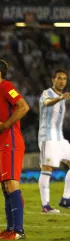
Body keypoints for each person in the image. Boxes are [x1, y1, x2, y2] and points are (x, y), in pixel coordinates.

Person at [0, 58, 29, 240]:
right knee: (5, 187)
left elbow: (24, 106)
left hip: (11, 141)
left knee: (11, 184)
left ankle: (18, 231)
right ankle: (10, 229)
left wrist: (6, 125)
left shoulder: (6, 86)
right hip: (2, 143)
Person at [38, 69, 70, 212]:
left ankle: (66, 198)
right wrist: (61, 97)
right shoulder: (47, 93)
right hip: (47, 137)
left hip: (59, 138)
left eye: (64, 78)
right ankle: (46, 206)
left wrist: (62, 97)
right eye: (59, 78)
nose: (62, 81)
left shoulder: (63, 97)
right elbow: (47, 103)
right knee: (47, 169)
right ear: (53, 79)